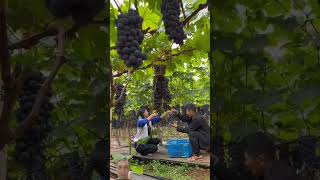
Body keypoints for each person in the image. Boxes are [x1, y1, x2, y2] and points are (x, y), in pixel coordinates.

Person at [212, 132, 305, 180]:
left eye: (246, 159)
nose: (245, 163)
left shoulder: (281, 177)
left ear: (261, 159)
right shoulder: (270, 170)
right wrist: (216, 163)